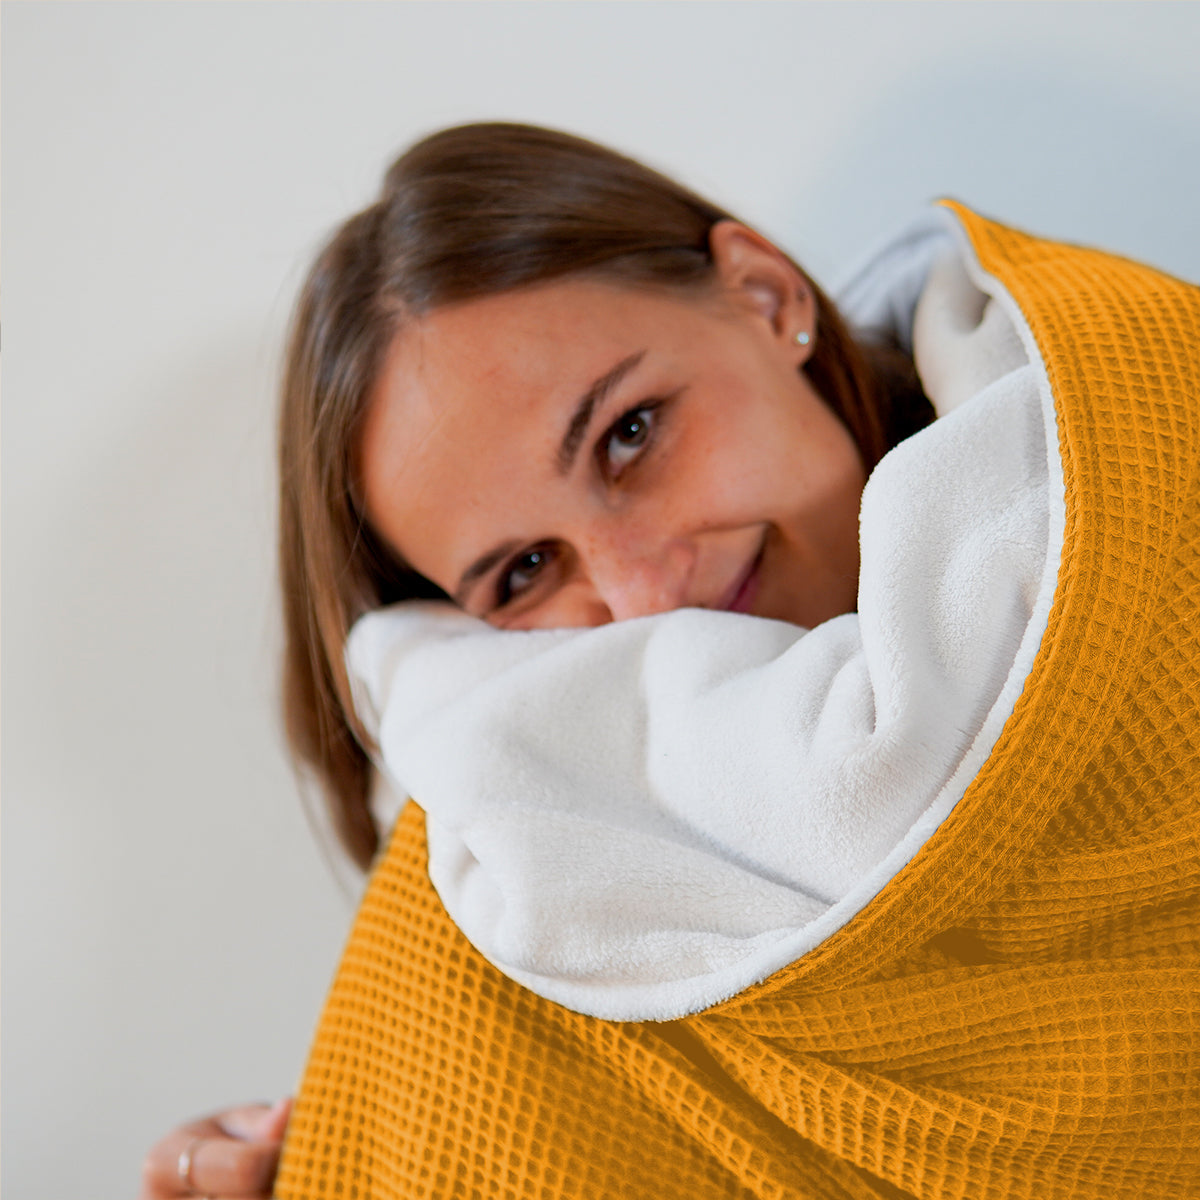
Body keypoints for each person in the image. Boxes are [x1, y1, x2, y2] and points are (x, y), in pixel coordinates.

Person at [139, 122, 1199, 1198]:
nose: (648, 590)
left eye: (630, 435)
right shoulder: (520, 865)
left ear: (765, 296)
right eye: (526, 571)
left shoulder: (1161, 456)